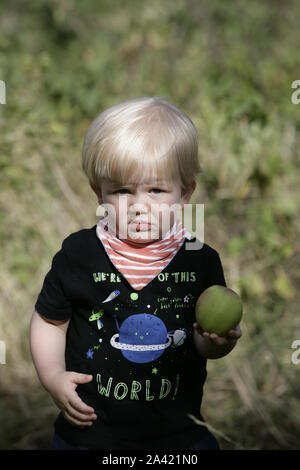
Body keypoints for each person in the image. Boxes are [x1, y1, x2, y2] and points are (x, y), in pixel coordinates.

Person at [29, 96, 242, 451]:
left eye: (156, 190)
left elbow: (202, 341)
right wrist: (52, 377)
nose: (139, 206)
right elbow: (50, 322)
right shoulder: (79, 255)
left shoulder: (199, 261)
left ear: (185, 192)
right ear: (99, 192)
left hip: (178, 436)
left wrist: (219, 341)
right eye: (123, 191)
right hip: (89, 436)